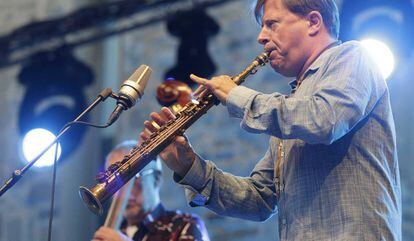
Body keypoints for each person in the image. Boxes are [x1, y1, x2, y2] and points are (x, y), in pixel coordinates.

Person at [140, 0, 402, 240]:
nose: (261, 37)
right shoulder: (292, 108)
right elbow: (259, 200)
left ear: (313, 22)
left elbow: (325, 120)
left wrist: (237, 96)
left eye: (272, 24)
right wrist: (189, 167)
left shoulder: (353, 57)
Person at [92, 140, 210, 241]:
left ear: (157, 179)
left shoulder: (186, 225)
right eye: (113, 184)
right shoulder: (110, 233)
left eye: (134, 179)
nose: (124, 193)